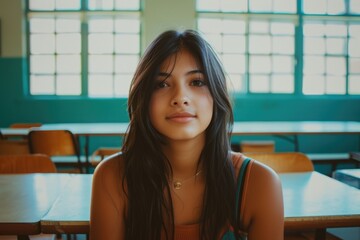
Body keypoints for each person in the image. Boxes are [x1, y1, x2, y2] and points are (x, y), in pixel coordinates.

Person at [90, 29, 284, 240]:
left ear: (216, 94)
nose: (180, 97)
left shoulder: (259, 183)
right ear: (143, 98)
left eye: (197, 82)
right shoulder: (111, 177)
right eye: (162, 84)